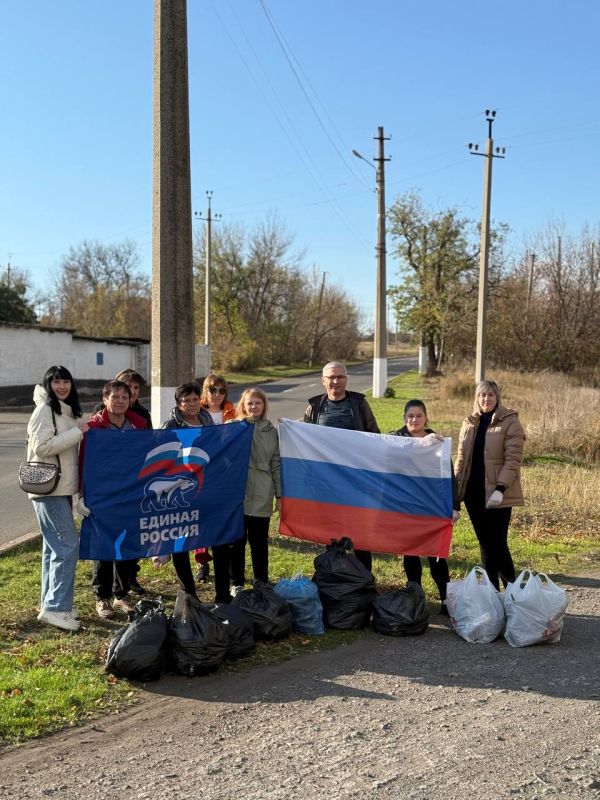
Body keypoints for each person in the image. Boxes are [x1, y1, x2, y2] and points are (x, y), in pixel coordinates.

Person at [79, 380, 149, 619]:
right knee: (104, 546)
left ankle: (121, 594)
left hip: (130, 495)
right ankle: (103, 597)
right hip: (102, 496)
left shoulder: (138, 426)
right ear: (105, 398)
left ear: (130, 400)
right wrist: (81, 494)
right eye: (115, 396)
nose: (119, 401)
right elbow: (83, 462)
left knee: (126, 543)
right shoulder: (94, 429)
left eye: (124, 397)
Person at [27, 366, 89, 632]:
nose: (62, 386)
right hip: (48, 488)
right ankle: (56, 608)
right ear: (48, 384)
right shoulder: (44, 410)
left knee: (53, 549)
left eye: (65, 381)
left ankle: (52, 603)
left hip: (60, 488)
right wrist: (77, 432)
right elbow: (41, 447)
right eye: (56, 382)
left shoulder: (64, 410)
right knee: (67, 546)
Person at [303, 361, 380, 571]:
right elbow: (304, 441)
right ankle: (334, 577)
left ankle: (364, 578)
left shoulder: (359, 404)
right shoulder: (315, 407)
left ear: (346, 379)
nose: (336, 381)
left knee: (359, 532)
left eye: (340, 377)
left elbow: (375, 436)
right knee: (332, 531)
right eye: (331, 377)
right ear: (323, 381)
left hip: (356, 481)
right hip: (327, 482)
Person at [389, 399, 460, 613]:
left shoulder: (436, 442)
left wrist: (454, 506)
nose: (414, 420)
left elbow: (449, 476)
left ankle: (446, 601)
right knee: (410, 554)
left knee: (436, 555)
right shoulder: (395, 439)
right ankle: (416, 599)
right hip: (407, 507)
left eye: (419, 415)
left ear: (425, 417)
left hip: (433, 506)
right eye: (410, 416)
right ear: (404, 418)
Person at [455, 379, 526, 591]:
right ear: (477, 398)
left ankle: (513, 594)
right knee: (485, 545)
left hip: (497, 495)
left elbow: (513, 459)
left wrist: (500, 488)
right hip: (473, 494)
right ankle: (493, 595)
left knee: (498, 544)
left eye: (490, 395)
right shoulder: (469, 422)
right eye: (482, 395)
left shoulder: (510, 421)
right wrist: (456, 497)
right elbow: (461, 459)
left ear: (497, 397)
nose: (486, 399)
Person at [159, 381, 213, 598]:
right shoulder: (170, 425)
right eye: (185, 401)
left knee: (203, 533)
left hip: (205, 486)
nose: (191, 404)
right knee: (180, 538)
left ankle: (208, 571)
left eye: (194, 399)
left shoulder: (208, 421)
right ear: (178, 404)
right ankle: (188, 589)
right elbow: (162, 456)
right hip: (179, 488)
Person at [229, 387, 281, 596]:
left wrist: (280, 494)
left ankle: (261, 581)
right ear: (243, 405)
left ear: (264, 406)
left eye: (258, 403)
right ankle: (236, 583)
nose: (254, 407)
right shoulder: (232, 427)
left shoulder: (271, 431)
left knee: (259, 541)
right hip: (237, 491)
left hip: (262, 490)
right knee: (236, 541)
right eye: (250, 403)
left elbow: (276, 462)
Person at [114, 369, 152, 594]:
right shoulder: (103, 413)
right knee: (116, 534)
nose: (132, 392)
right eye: (128, 387)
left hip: (138, 481)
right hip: (115, 485)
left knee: (136, 533)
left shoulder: (142, 415)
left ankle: (131, 576)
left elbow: (150, 445)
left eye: (136, 388)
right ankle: (114, 583)